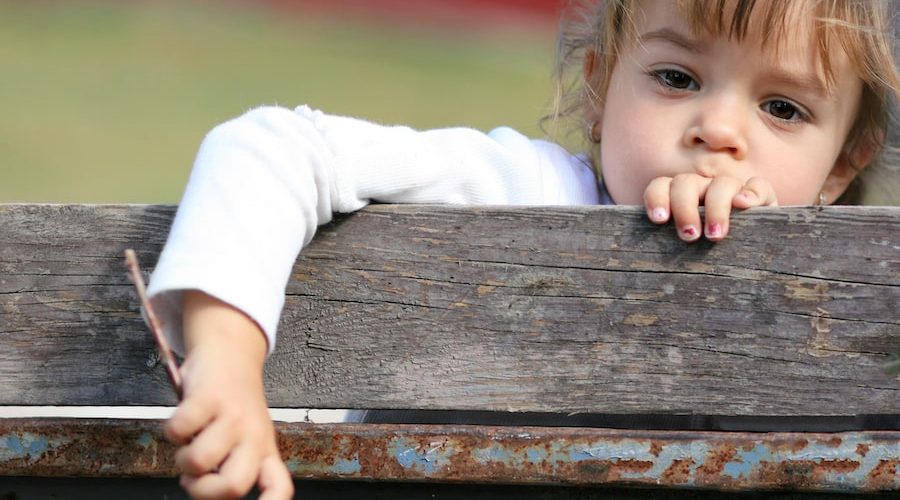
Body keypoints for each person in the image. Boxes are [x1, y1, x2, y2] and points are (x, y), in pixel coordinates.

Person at [145, 0, 900, 498]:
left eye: (782, 108)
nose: (720, 130)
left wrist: (757, 270)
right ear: (601, 93)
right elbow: (271, 147)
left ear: (842, 163)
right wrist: (230, 363)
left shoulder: (855, 305)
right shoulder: (522, 186)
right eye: (677, 77)